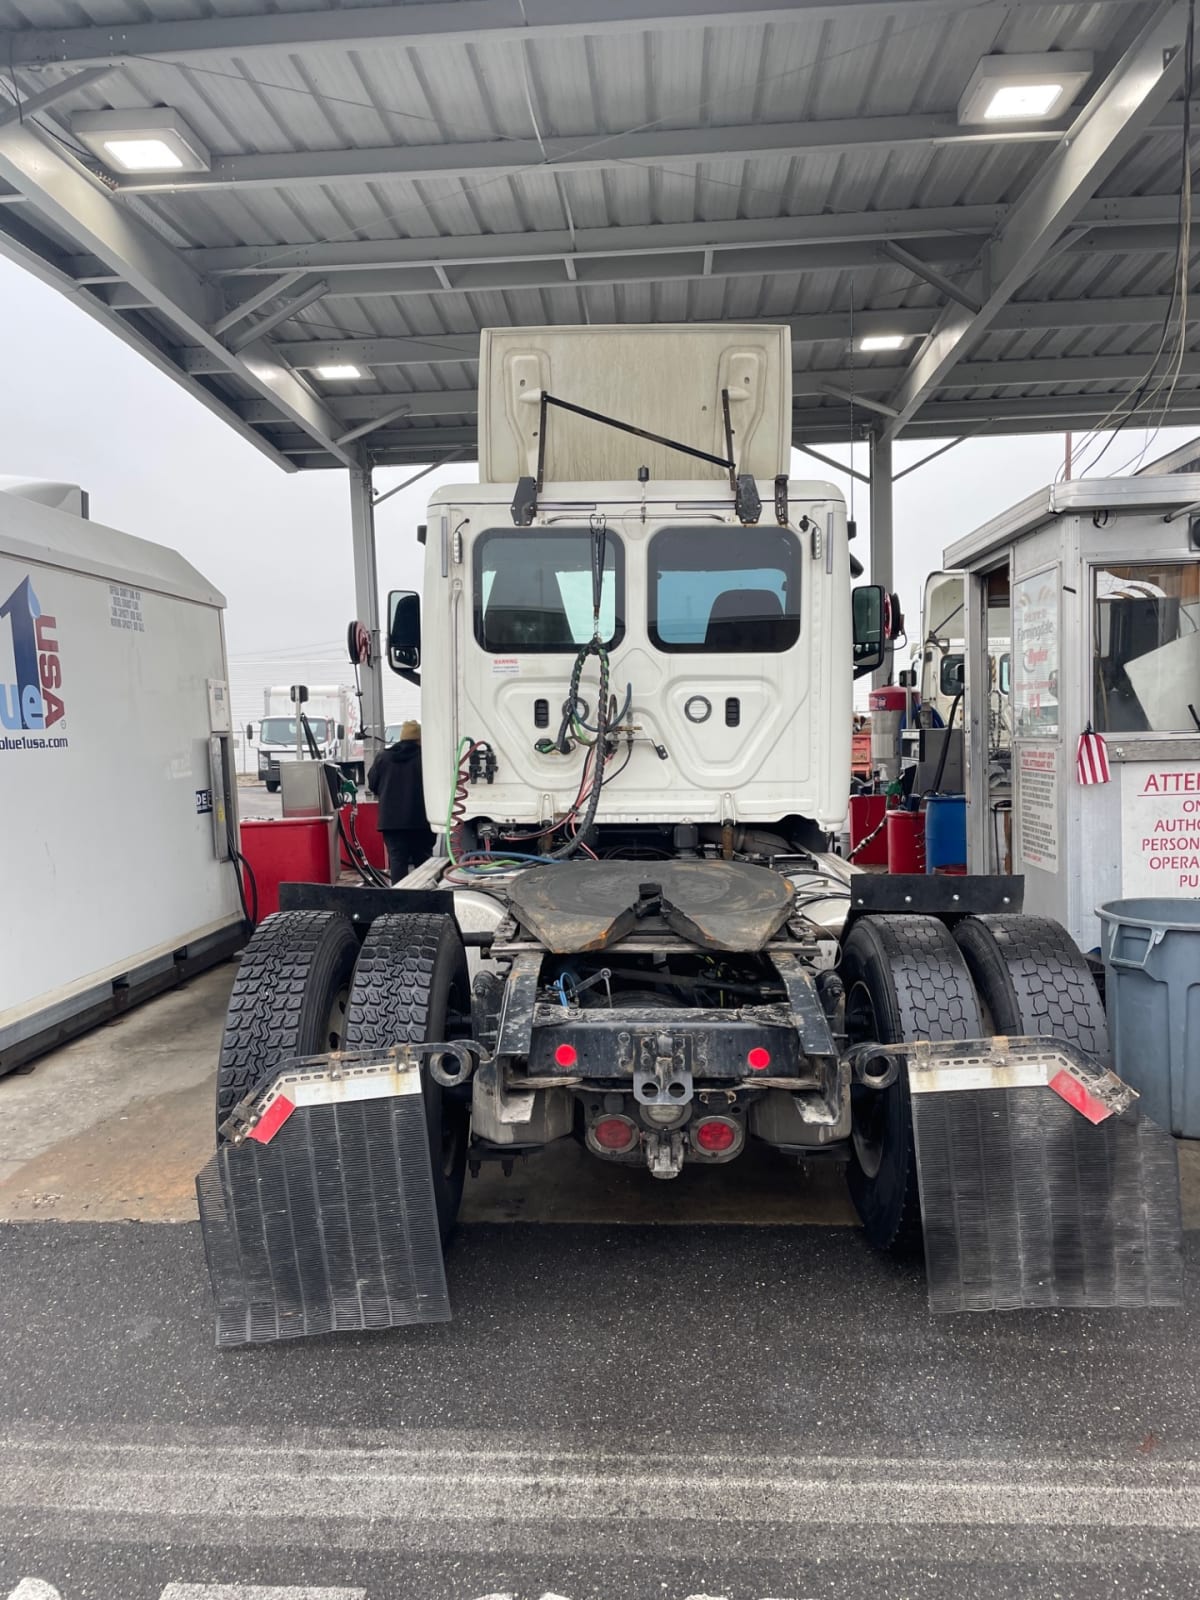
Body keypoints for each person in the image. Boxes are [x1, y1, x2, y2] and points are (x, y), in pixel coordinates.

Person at [367, 720, 434, 884]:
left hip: (392, 822)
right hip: (421, 821)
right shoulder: (426, 758)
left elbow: (372, 784)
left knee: (397, 862)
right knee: (424, 863)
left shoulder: (383, 757)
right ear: (420, 739)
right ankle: (424, 901)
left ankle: (399, 900)